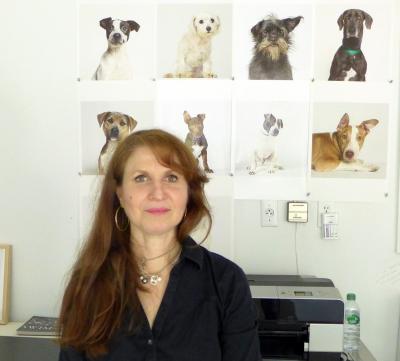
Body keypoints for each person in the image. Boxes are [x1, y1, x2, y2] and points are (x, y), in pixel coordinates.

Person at [58, 129, 261, 361]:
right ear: (120, 194)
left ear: (188, 193)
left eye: (171, 177)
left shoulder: (227, 281)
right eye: (141, 178)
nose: (157, 193)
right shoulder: (88, 282)